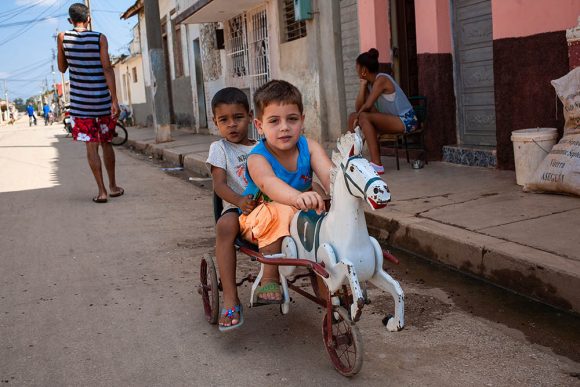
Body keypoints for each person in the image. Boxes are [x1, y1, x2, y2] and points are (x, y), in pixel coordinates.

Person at [240, 80, 333, 304]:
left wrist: (344, 192)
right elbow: (269, 183)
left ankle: (327, 282)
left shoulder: (309, 147)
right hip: (259, 219)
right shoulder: (257, 157)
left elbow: (330, 175)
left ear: (302, 120)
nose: (284, 127)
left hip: (301, 215)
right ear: (259, 125)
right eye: (274, 121)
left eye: (292, 119)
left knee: (327, 212)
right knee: (279, 211)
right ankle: (269, 276)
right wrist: (298, 197)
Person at [57, 3, 124, 203]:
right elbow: (107, 69)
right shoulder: (99, 38)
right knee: (106, 142)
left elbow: (62, 67)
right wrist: (114, 100)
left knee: (91, 146)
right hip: (102, 101)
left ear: (70, 21)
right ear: (88, 19)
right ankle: (113, 186)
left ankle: (101, 192)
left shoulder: (63, 37)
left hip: (80, 104)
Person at [205, 87, 257, 331]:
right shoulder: (220, 149)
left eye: (238, 117)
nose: (232, 125)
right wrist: (239, 201)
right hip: (237, 207)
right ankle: (231, 299)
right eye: (224, 120)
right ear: (215, 122)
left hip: (269, 205)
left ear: (250, 115)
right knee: (225, 226)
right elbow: (219, 185)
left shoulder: (263, 146)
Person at [348, 48, 418, 175]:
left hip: (407, 120)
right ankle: (353, 158)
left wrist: (359, 117)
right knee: (353, 117)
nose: (356, 70)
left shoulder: (382, 80)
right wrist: (362, 86)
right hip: (390, 120)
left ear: (364, 70)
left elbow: (368, 105)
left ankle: (377, 165)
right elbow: (359, 107)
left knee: (362, 117)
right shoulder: (369, 84)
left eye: (357, 67)